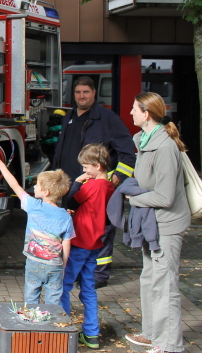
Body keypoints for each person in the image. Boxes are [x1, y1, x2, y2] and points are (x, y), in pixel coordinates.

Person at [52, 76, 136, 288]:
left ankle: (98, 276)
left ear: (94, 93)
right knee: (75, 232)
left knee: (101, 232)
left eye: (86, 92)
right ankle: (78, 272)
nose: (82, 96)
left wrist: (117, 177)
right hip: (72, 187)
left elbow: (128, 153)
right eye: (78, 92)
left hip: (97, 190)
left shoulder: (108, 119)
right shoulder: (69, 117)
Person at [124, 92, 190, 353]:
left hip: (167, 225)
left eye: (134, 109)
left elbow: (164, 196)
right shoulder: (143, 140)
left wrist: (132, 198)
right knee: (150, 280)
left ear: (146, 114)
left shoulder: (165, 147)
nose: (130, 113)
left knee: (165, 286)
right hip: (153, 224)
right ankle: (152, 334)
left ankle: (170, 345)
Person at [0, 152, 74, 307]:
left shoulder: (33, 206)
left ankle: (31, 327)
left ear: (46, 192)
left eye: (38, 185)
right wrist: (63, 267)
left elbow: (15, 186)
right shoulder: (65, 216)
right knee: (53, 303)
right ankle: (50, 329)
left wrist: (1, 165)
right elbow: (66, 245)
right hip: (54, 265)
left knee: (31, 298)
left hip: (33, 262)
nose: (34, 186)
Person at [60, 143, 117, 350]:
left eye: (86, 167)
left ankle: (62, 330)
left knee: (64, 286)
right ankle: (91, 334)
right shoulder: (110, 187)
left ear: (97, 166)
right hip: (95, 243)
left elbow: (72, 202)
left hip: (79, 242)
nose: (84, 171)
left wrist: (77, 183)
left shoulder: (91, 186)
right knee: (88, 289)